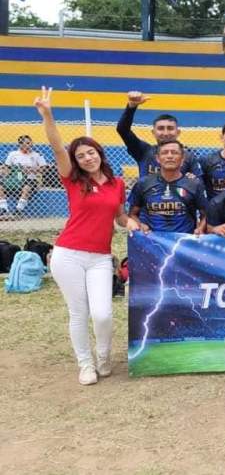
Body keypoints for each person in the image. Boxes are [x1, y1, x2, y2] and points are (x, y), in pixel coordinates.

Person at [34, 86, 139, 385]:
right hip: (68, 254)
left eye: (90, 152)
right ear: (76, 161)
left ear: (99, 153)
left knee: (104, 314)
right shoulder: (72, 179)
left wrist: (129, 221)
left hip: (100, 257)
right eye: (80, 156)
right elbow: (56, 147)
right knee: (79, 314)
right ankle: (85, 364)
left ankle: (104, 356)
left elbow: (118, 217)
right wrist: (47, 114)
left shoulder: (116, 183)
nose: (87, 158)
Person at [116, 91, 202, 179]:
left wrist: (194, 180)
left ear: (178, 132)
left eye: (170, 128)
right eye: (161, 128)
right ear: (153, 132)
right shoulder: (143, 151)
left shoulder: (188, 156)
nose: (165, 133)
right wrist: (131, 107)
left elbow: (199, 183)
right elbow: (123, 130)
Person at [128, 140, 207, 234]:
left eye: (174, 152)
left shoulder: (194, 184)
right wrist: (140, 224)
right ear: (157, 158)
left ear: (182, 159)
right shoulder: (143, 183)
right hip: (151, 242)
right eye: (164, 153)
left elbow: (205, 215)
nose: (169, 156)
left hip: (183, 243)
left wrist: (200, 229)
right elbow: (132, 214)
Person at [0, 135, 47, 218]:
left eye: (30, 143)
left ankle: (18, 210)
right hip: (15, 179)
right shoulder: (13, 154)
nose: (29, 145)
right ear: (20, 144)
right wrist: (5, 171)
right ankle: (4, 209)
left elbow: (44, 168)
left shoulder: (37, 155)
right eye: (27, 143)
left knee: (26, 187)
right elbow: (7, 167)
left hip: (30, 178)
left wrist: (32, 170)